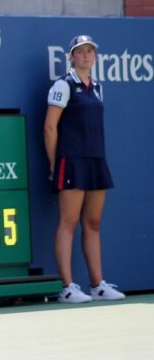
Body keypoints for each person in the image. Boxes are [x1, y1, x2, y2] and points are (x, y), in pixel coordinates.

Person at [44, 35, 125, 304]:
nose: (86, 55)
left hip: (96, 161)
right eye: (81, 52)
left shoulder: (98, 87)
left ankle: (97, 285)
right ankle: (67, 287)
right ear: (72, 57)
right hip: (71, 161)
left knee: (93, 223)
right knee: (68, 222)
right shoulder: (63, 85)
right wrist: (55, 162)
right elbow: (50, 127)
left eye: (90, 51)